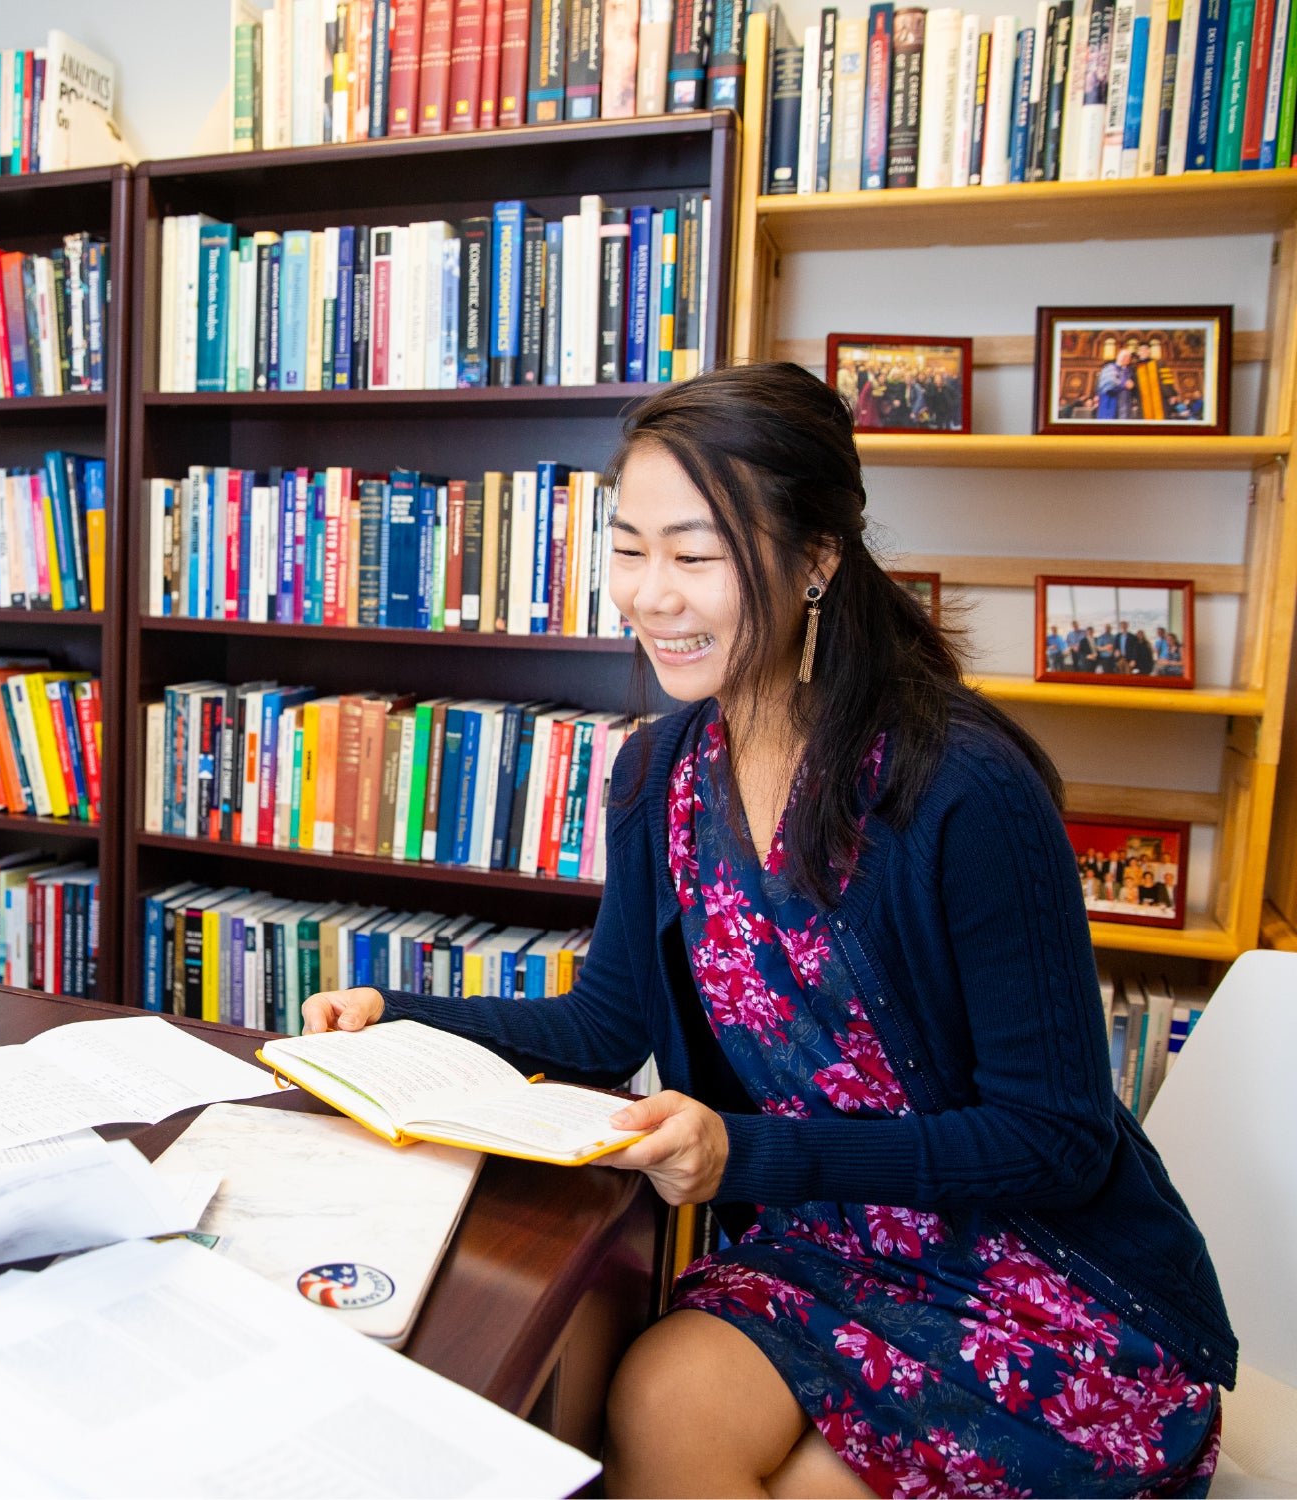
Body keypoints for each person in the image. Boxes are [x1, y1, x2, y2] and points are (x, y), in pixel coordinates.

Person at [301, 364, 1232, 1497]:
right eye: (628, 546)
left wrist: (749, 1153)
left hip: (1030, 1276)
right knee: (652, 1395)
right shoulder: (656, 774)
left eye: (696, 556)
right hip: (816, 1250)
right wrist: (395, 1021)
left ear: (817, 561)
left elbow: (1055, 1138)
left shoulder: (963, 786)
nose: (649, 595)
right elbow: (606, 1025)